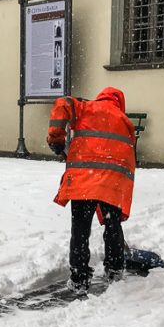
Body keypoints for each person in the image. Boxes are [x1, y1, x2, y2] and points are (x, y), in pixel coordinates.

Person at [46, 87, 136, 296]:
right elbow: (129, 160)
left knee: (80, 229)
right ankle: (114, 270)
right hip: (112, 182)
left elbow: (62, 104)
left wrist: (56, 138)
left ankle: (79, 279)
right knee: (113, 225)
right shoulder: (124, 121)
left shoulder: (85, 107)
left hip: (83, 179)